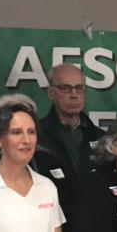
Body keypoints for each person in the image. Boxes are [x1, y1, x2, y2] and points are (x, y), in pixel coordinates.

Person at [38, 63, 101, 211]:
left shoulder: (101, 137)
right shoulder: (36, 136)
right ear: (50, 93)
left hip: (93, 222)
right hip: (53, 220)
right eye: (66, 88)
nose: (74, 95)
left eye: (80, 88)